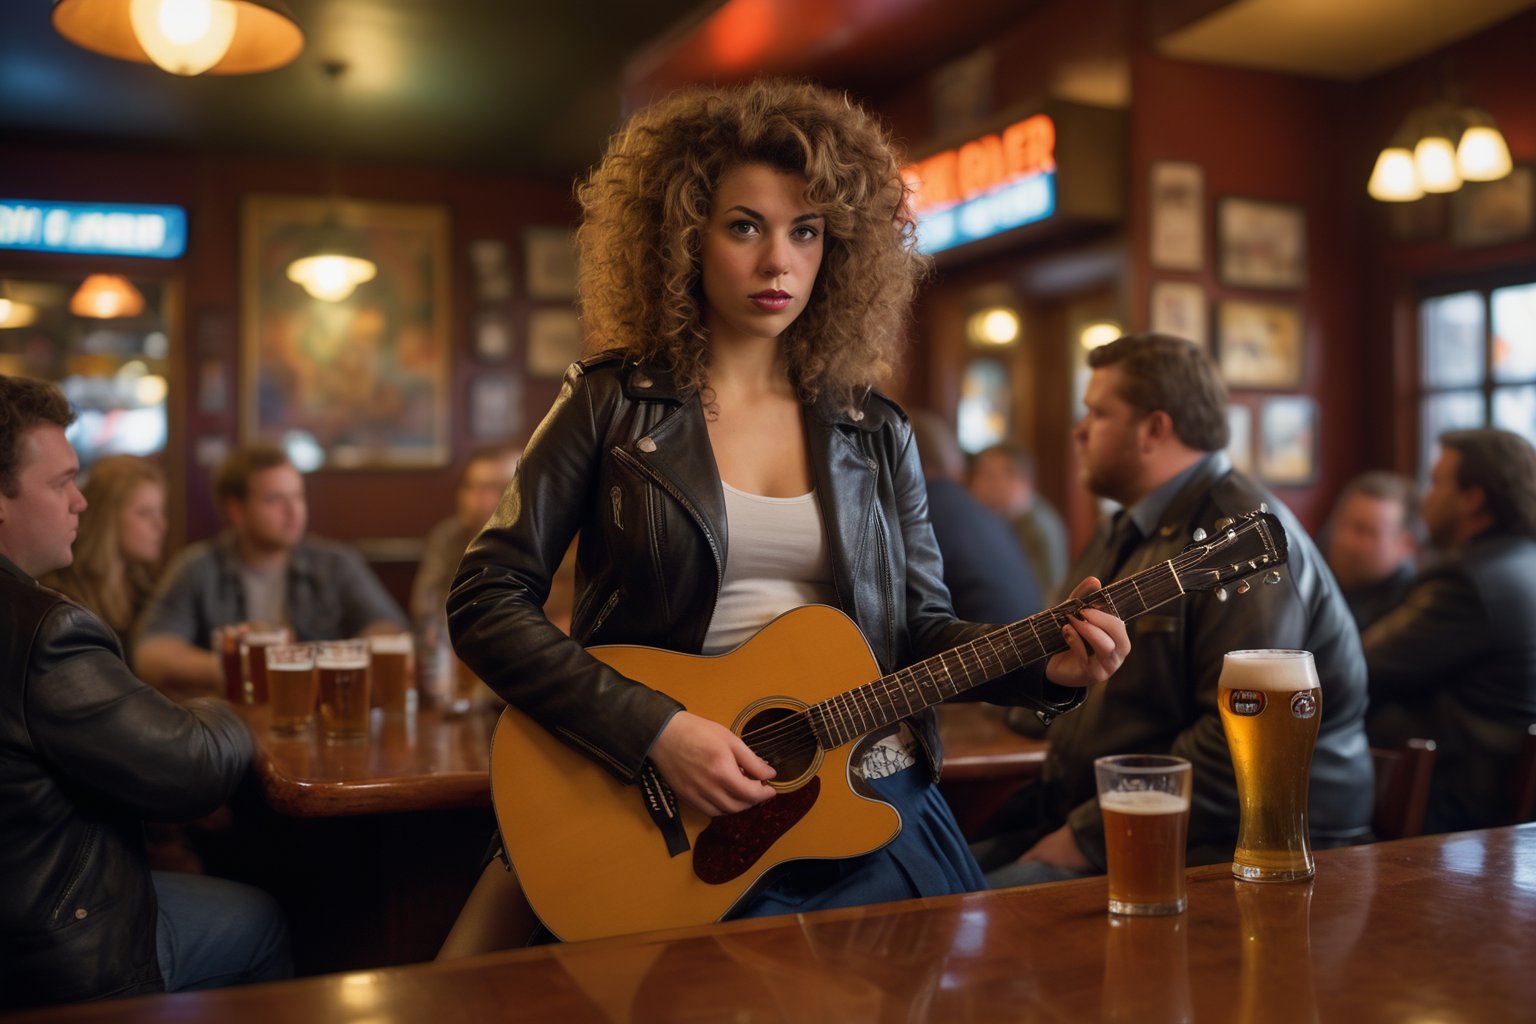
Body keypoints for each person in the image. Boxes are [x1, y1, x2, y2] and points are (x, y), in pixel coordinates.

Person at [444, 79, 1128, 946]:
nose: (779, 262)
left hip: (862, 801)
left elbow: (918, 631)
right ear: (683, 234)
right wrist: (655, 731)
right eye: (745, 226)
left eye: (805, 231)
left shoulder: (875, 432)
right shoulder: (611, 404)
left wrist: (1045, 669)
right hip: (646, 802)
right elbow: (484, 598)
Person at [974, 333, 1373, 887]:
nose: (1079, 430)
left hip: (1231, 845)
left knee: (961, 919)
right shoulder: (1127, 526)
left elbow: (1236, 741)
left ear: (1155, 429)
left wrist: (1087, 835)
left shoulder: (1240, 537)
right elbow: (1069, 660)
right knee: (931, 880)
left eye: (1097, 413)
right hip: (1114, 813)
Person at [0, 376, 290, 1010]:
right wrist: (237, 707)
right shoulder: (45, 628)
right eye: (60, 483)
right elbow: (185, 769)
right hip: (49, 946)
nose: (78, 502)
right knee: (263, 915)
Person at [134, 442, 407, 698]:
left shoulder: (335, 563)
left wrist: (323, 664)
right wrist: (246, 670)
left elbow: (389, 630)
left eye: (298, 496)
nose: (293, 511)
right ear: (237, 511)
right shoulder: (197, 567)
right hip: (232, 727)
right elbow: (151, 654)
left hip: (318, 717)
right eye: (275, 499)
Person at [1363, 429, 1536, 833]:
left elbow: (1363, 664)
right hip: (1505, 794)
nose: (1426, 498)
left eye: (1437, 481)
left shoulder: (1469, 580)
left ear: (1472, 497)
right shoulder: (1524, 561)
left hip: (1456, 800)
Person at [908, 409, 1042, 622]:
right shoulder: (980, 512)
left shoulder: (919, 508)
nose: (980, 484)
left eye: (990, 476)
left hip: (995, 648)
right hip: (1024, 642)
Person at [40, 454, 168, 656]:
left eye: (161, 512)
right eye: (146, 513)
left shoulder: (146, 591)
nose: (161, 525)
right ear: (108, 516)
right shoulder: (62, 596)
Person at [969, 442, 1069, 599]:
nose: (977, 485)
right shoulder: (1009, 519)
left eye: (989, 475)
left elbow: (1042, 599)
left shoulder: (1037, 529)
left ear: (1018, 479)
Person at [1323, 470, 1420, 631]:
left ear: (1405, 544)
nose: (1346, 540)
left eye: (1364, 531)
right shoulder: (1314, 578)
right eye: (1342, 524)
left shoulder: (1413, 612)